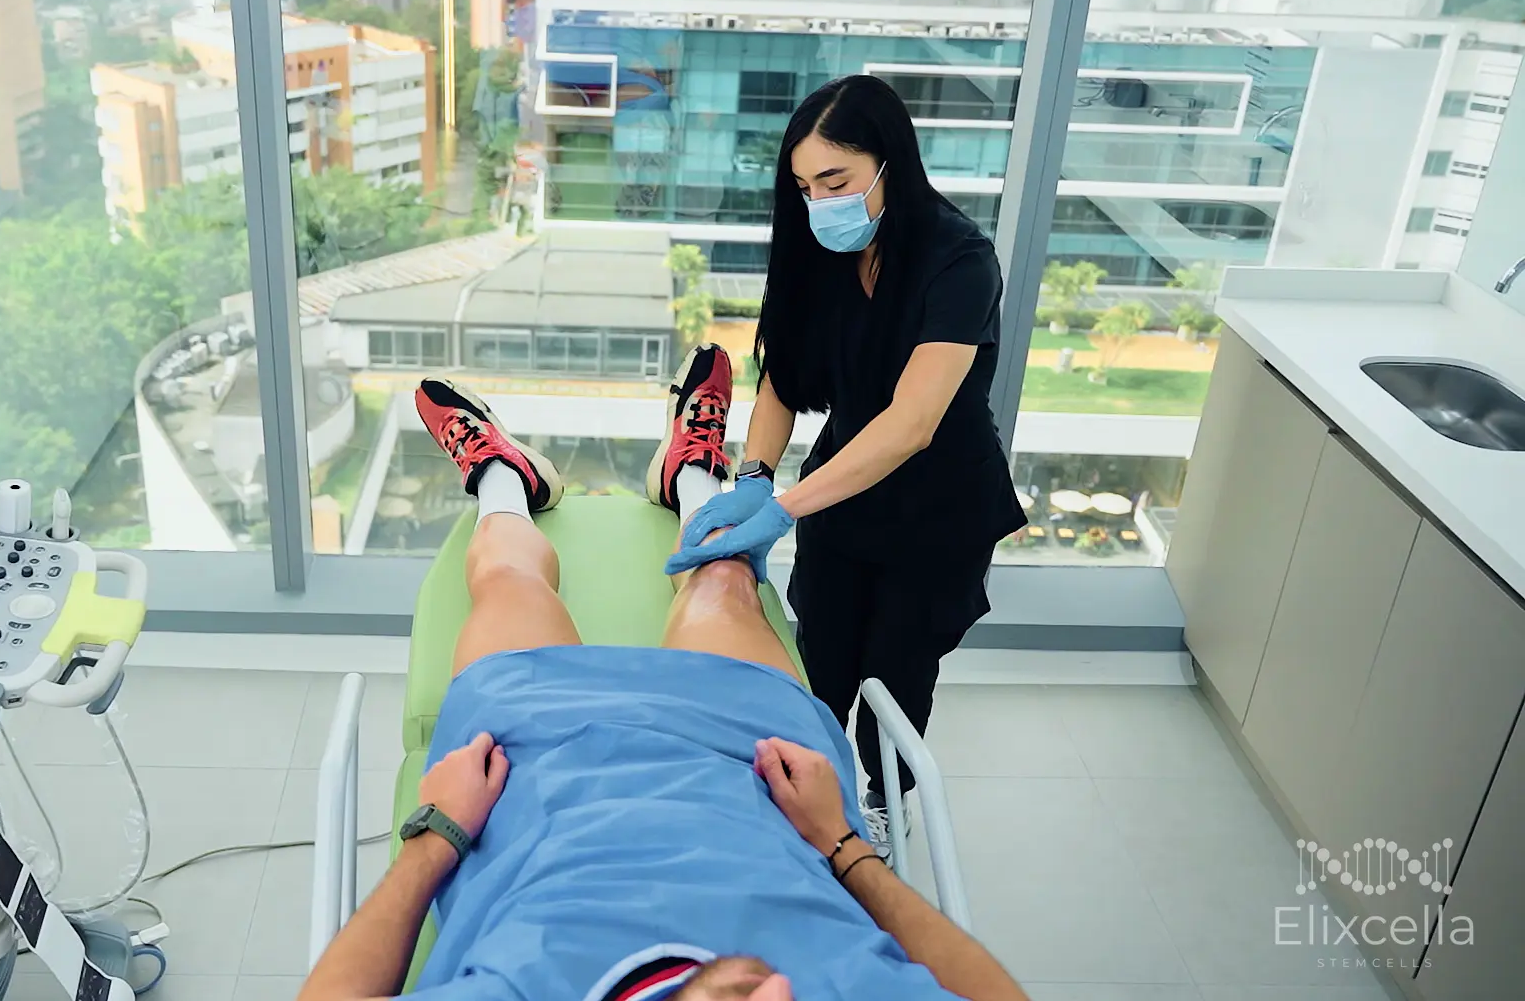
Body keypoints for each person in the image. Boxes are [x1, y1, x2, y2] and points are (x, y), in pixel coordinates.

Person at [297, 354, 1027, 1001]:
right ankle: (694, 471)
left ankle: (499, 476)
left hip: (525, 775)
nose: (779, 990)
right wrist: (844, 846)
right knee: (722, 579)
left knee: (508, 583)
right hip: (760, 769)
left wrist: (436, 838)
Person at [664, 75, 1028, 852]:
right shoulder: (819, 253)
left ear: (890, 163)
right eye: (803, 185)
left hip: (939, 508)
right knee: (821, 660)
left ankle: (882, 805)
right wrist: (753, 481)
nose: (819, 200)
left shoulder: (957, 260)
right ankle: (807, 793)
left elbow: (911, 424)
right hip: (843, 498)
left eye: (836, 180)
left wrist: (783, 509)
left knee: (895, 679)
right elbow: (781, 383)